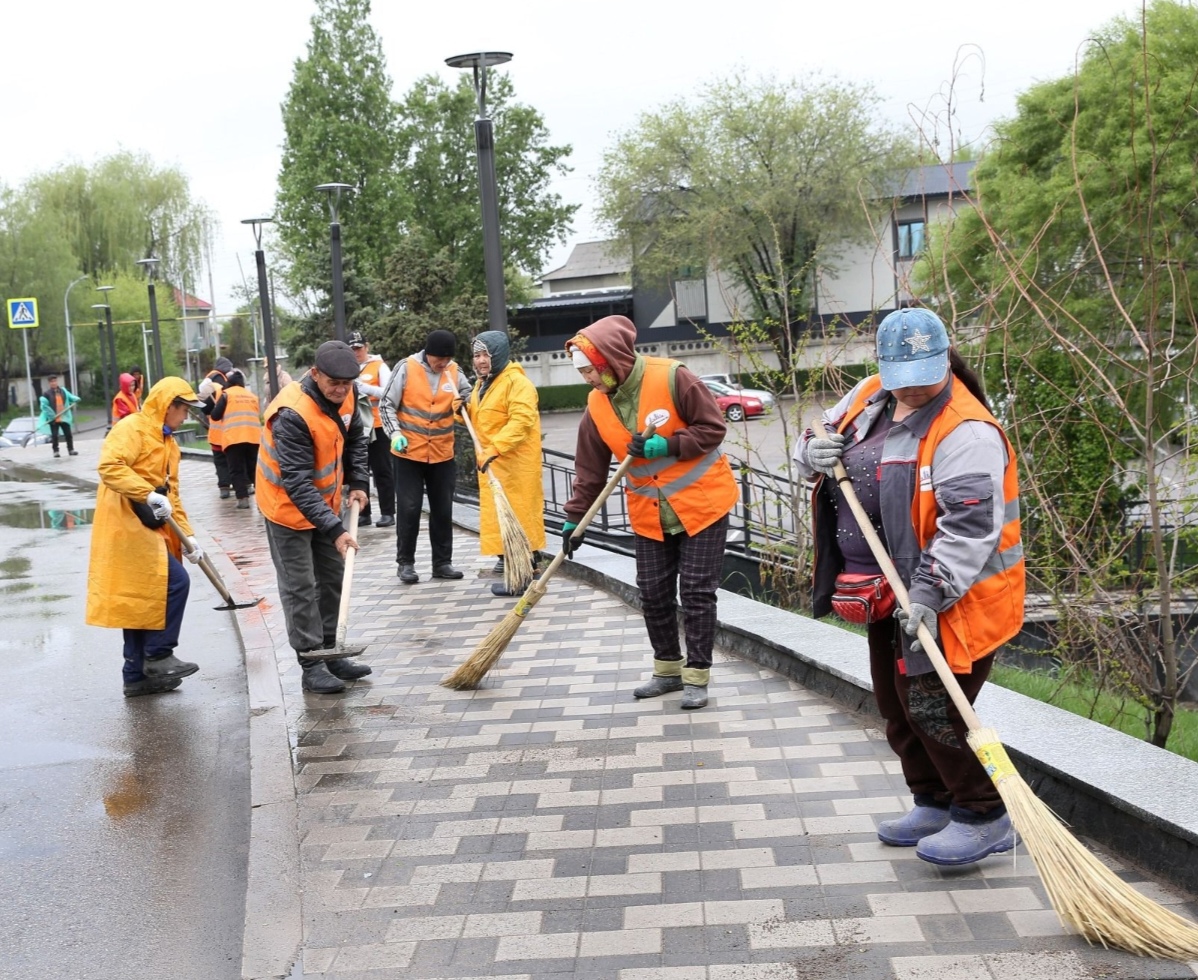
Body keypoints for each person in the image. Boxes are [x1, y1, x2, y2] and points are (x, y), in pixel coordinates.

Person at [794, 306, 1026, 867]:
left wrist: (929, 592)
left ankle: (985, 812)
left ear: (945, 360)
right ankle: (934, 799)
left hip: (951, 597)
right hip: (883, 590)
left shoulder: (966, 431)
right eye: (903, 379)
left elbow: (968, 528)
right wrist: (812, 452)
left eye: (925, 376)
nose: (913, 390)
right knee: (896, 704)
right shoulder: (871, 394)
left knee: (936, 707)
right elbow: (819, 433)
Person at [562, 315, 738, 710]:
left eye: (591, 369)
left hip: (702, 503)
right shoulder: (596, 404)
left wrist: (671, 445)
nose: (588, 378)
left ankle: (697, 676)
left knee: (695, 592)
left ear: (611, 360)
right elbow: (590, 469)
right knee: (654, 593)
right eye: (583, 372)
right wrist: (576, 518)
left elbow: (713, 428)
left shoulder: (674, 377)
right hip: (649, 511)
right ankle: (667, 670)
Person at [256, 340, 373, 694]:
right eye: (333, 383)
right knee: (301, 587)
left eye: (346, 384)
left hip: (325, 503)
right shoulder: (292, 413)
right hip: (286, 509)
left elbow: (355, 439)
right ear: (315, 374)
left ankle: (332, 652)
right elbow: (296, 481)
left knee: (334, 577)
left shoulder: (347, 395)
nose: (340, 390)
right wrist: (336, 529)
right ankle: (311, 664)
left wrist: (358, 481)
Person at [85, 377, 208, 697]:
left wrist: (190, 539)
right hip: (125, 525)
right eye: (184, 411)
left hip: (149, 526)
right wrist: (145, 493)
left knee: (141, 601)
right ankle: (158, 654)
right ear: (169, 407)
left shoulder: (170, 444)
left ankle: (136, 677)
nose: (186, 417)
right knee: (175, 582)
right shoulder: (132, 428)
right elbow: (109, 466)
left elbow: (173, 498)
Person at [379, 329, 472, 584]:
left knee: (442, 509)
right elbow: (386, 403)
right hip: (408, 451)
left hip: (442, 452)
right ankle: (405, 564)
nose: (441, 363)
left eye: (446, 359)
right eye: (437, 359)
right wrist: (395, 433)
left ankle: (442, 563)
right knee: (409, 508)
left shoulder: (454, 371)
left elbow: (468, 397)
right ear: (427, 354)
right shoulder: (406, 367)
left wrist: (466, 403)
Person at [467, 331, 547, 596]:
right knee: (507, 522)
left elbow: (521, 421)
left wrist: (496, 448)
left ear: (498, 355)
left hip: (515, 467)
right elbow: (483, 419)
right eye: (476, 355)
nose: (479, 361)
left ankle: (525, 576)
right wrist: (462, 411)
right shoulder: (484, 384)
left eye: (485, 355)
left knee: (521, 519)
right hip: (496, 467)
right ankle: (523, 575)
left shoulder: (517, 384)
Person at [348, 331, 396, 529]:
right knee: (359, 471)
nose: (356, 352)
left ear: (366, 347)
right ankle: (363, 513)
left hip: (378, 426)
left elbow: (389, 392)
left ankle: (387, 512)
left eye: (359, 348)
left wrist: (363, 388)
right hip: (356, 428)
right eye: (352, 349)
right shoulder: (346, 368)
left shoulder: (379, 366)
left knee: (382, 470)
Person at [210, 369, 261, 509]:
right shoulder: (252, 396)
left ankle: (243, 499)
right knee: (254, 469)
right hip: (253, 438)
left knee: (236, 469)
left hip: (234, 438)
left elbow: (215, 415)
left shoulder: (227, 395)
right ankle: (262, 500)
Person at [198, 357, 235, 499]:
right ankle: (241, 486)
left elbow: (204, 407)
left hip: (216, 430)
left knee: (220, 461)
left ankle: (224, 487)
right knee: (232, 460)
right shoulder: (223, 384)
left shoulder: (209, 382)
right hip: (228, 429)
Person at [38, 374, 81, 458]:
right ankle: (56, 451)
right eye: (51, 382)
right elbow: (44, 406)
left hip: (64, 417)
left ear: (57, 382)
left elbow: (70, 397)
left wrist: (76, 398)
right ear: (49, 383)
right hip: (54, 418)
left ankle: (71, 449)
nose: (53, 383)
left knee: (68, 434)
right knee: (54, 435)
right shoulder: (47, 394)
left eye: (55, 381)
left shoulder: (63, 391)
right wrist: (51, 415)